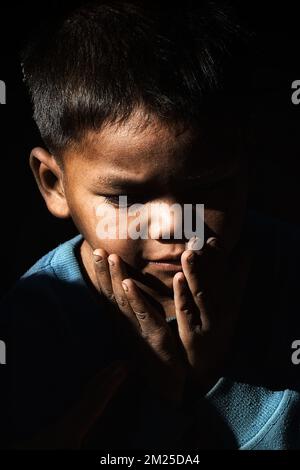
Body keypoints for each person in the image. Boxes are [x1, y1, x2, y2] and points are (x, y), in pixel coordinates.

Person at [1, 0, 299, 450]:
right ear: (54, 185)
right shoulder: (34, 327)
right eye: (126, 199)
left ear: (246, 169)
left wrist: (211, 381)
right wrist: (165, 394)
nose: (172, 225)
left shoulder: (290, 276)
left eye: (207, 188)